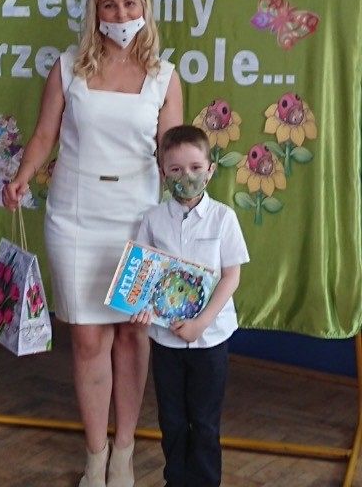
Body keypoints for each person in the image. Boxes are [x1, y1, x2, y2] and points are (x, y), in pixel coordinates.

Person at [3, 0, 183, 487]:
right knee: (86, 339)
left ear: (144, 10)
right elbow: (44, 136)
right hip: (75, 217)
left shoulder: (164, 77)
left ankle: (124, 449)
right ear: (95, 12)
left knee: (132, 333)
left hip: (139, 218)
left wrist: (187, 203)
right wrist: (22, 176)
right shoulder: (67, 69)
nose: (120, 14)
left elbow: (170, 150)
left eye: (130, 4)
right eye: (110, 5)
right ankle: (95, 454)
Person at [132, 125, 249, 487]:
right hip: (165, 341)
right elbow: (143, 273)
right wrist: (142, 307)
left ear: (210, 170)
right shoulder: (152, 220)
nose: (187, 176)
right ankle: (176, 480)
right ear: (163, 172)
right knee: (171, 418)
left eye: (196, 167)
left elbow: (231, 276)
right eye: (176, 169)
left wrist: (201, 323)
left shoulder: (224, 218)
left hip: (210, 340)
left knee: (205, 420)